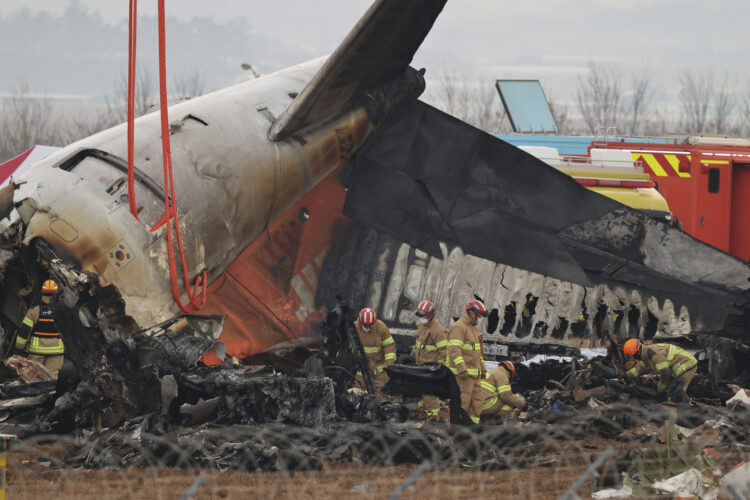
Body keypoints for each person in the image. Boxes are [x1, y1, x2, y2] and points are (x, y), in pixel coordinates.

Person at [447, 299, 488, 423]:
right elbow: (454, 350)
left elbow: (476, 353)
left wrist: (483, 368)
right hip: (463, 376)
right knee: (462, 404)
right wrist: (461, 368)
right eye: (478, 315)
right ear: (471, 312)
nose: (478, 318)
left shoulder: (473, 329)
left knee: (477, 403)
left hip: (474, 375)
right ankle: (457, 430)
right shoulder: (458, 327)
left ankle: (471, 429)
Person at [15, 279, 65, 377]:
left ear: (42, 293)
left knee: (32, 378)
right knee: (53, 379)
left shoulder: (34, 310)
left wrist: (19, 348)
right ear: (57, 294)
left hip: (36, 352)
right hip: (56, 351)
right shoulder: (62, 311)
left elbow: (24, 331)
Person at [623, 339, 697, 403]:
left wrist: (660, 389)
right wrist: (626, 376)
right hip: (677, 364)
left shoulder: (654, 354)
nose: (633, 358)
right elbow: (639, 369)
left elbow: (665, 374)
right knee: (669, 386)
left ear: (638, 351)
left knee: (675, 391)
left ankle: (682, 411)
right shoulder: (646, 354)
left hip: (687, 363)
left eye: (633, 355)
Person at [412, 300, 447, 421]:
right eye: (419, 315)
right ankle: (421, 419)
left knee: (430, 398)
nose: (421, 318)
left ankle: (433, 423)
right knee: (421, 396)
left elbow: (444, 352)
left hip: (430, 370)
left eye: (423, 315)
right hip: (420, 368)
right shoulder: (422, 325)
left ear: (431, 314)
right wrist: (414, 350)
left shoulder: (438, 331)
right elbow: (420, 343)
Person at [354, 307, 396, 399]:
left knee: (383, 396)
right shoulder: (354, 328)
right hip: (362, 371)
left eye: (370, 326)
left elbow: (389, 346)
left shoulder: (381, 327)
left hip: (379, 371)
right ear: (360, 322)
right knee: (359, 396)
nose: (367, 328)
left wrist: (390, 365)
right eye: (365, 326)